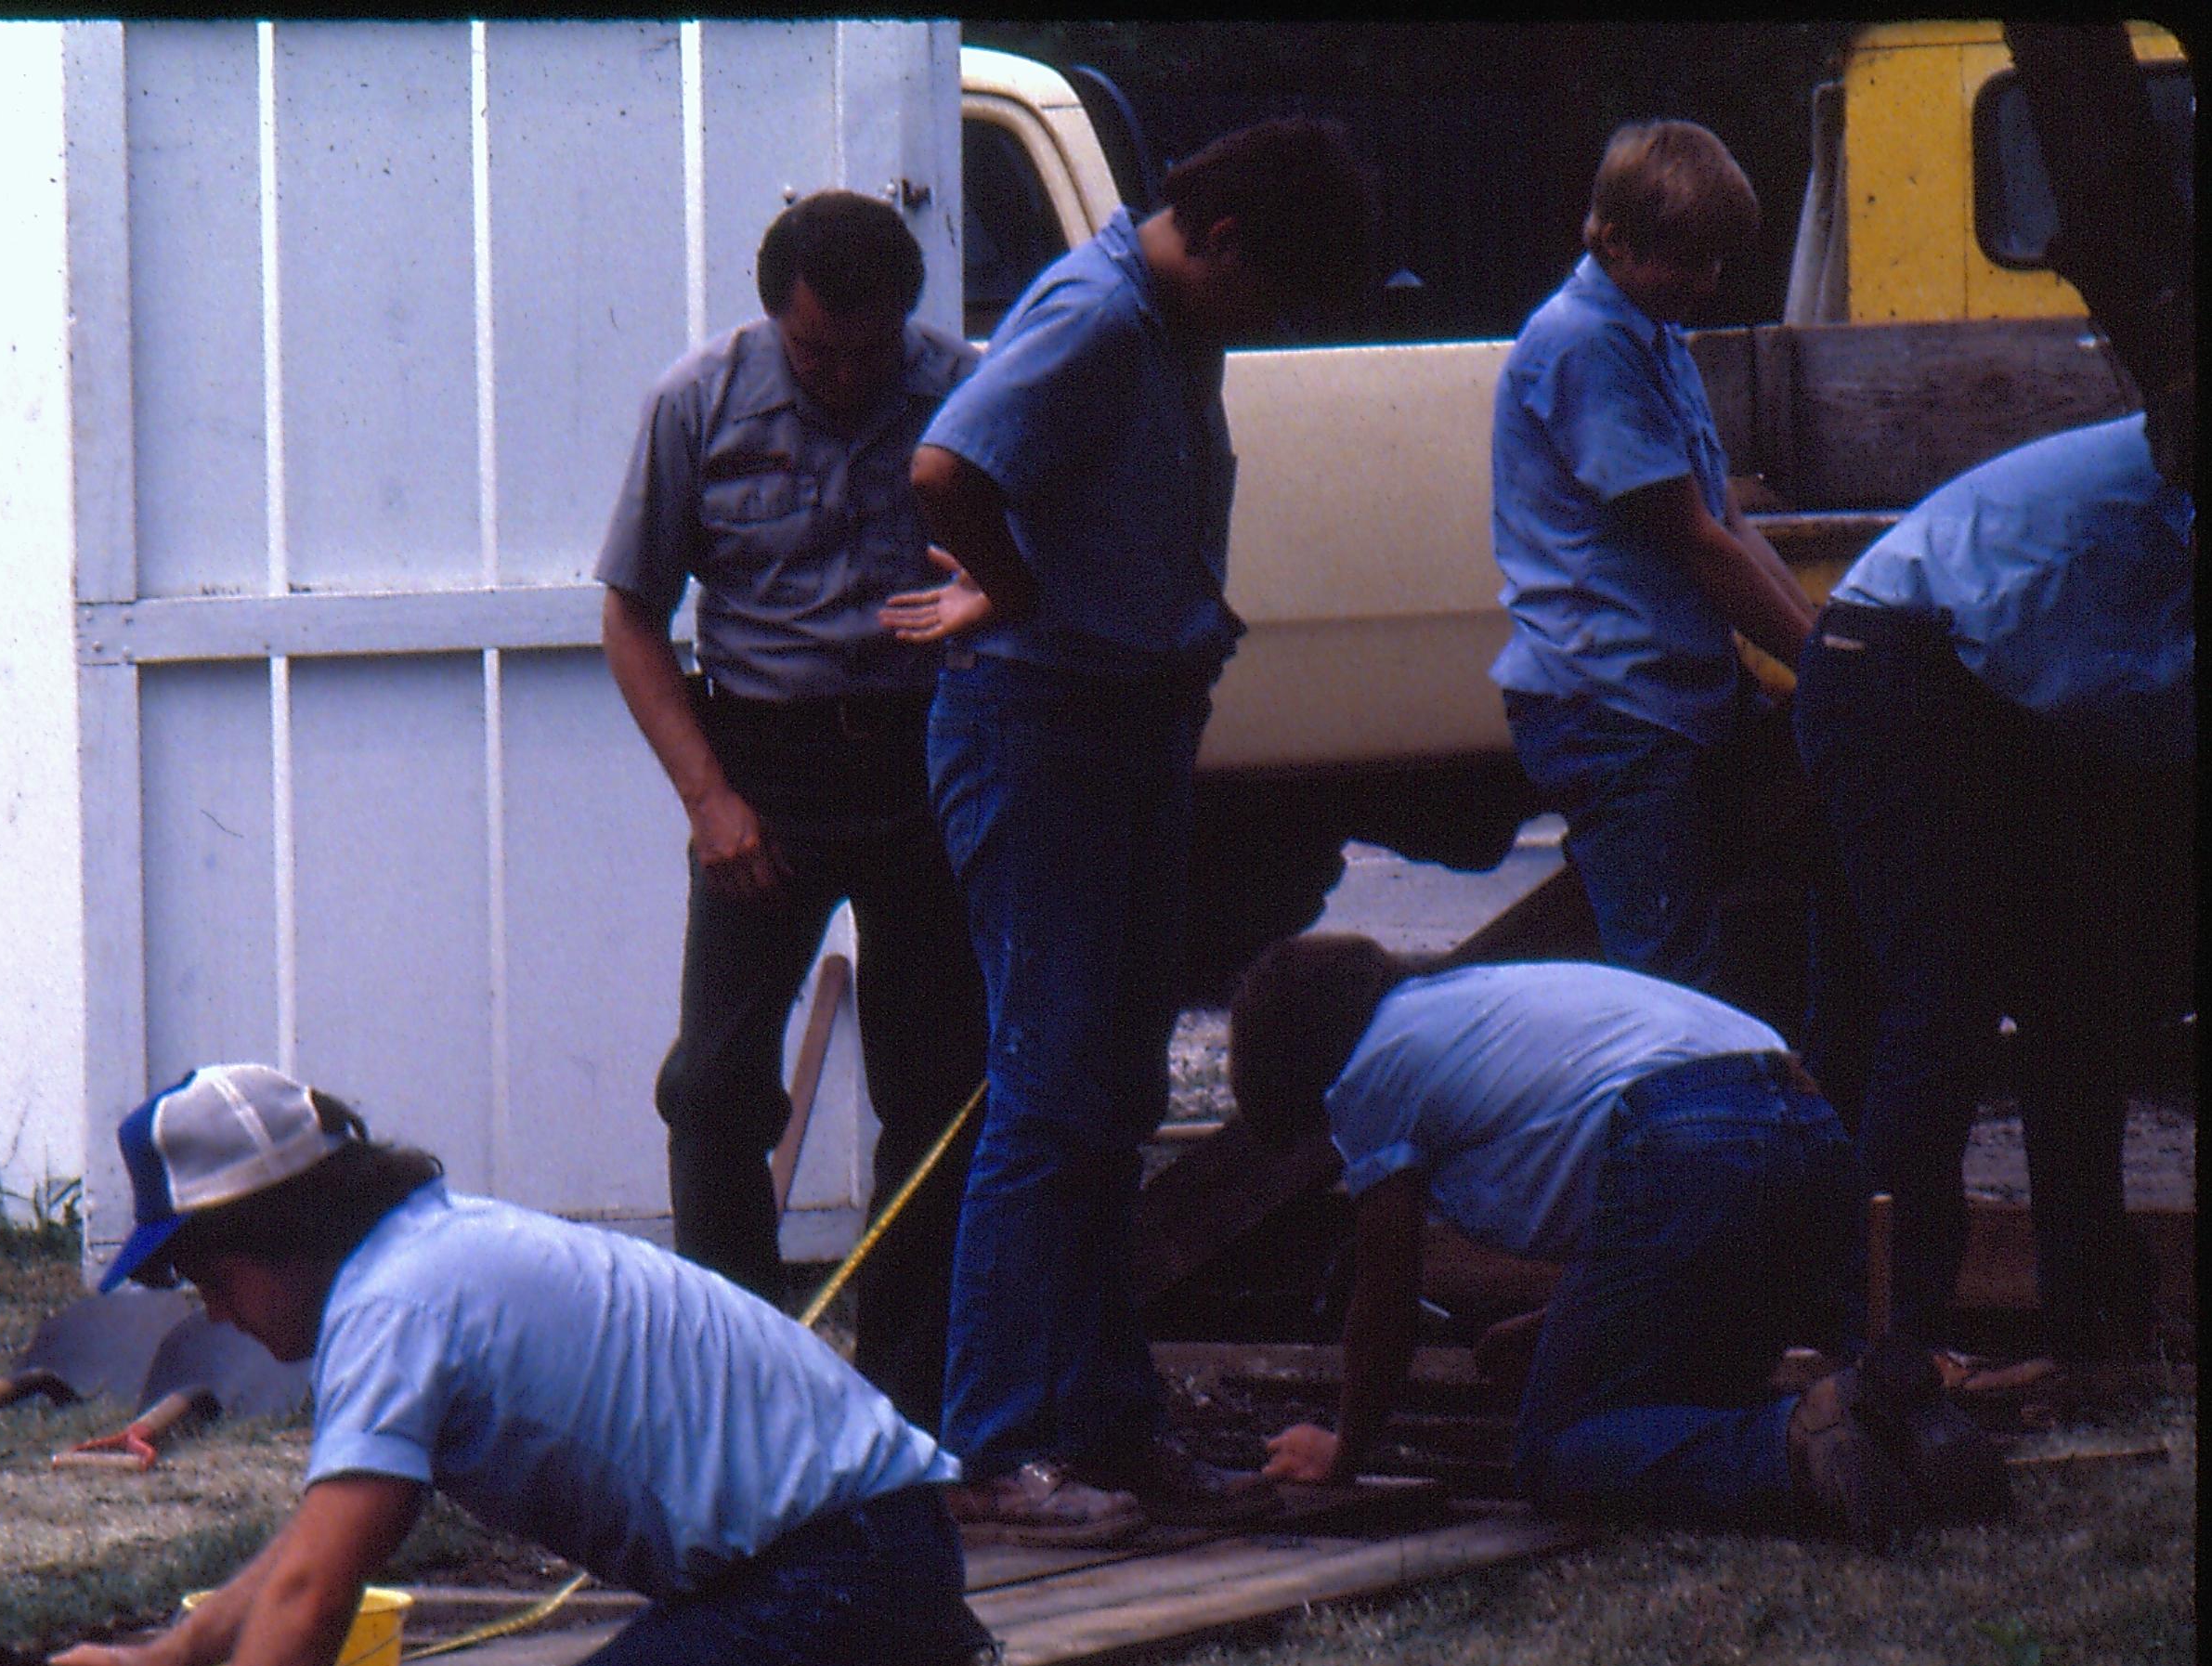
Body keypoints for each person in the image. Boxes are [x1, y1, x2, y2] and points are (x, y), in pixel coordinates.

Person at [0, 1063, 1162, 1666]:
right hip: (862, 1555)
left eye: (209, 1278)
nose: (214, 1315)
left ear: (278, 1231)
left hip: (827, 1581)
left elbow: (316, 1593)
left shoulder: (392, 1309)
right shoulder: (430, 1255)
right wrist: (163, 1660)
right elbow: (309, 1553)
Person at [874, 118, 1378, 1545]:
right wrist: (1011, 592)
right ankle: (986, 1444)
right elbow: (941, 473)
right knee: (1045, 1094)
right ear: (1219, 240)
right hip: (1042, 734)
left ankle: (1105, 1417)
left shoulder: (1170, 321)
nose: (1268, 323)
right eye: (1269, 292)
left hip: (1130, 723)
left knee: (1110, 1094)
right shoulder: (1097, 318)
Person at [596, 189, 986, 1430]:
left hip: (932, 760)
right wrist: (708, 797)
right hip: (761, 761)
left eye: (869, 353)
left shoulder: (967, 387)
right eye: (816, 351)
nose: (843, 376)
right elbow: (627, 616)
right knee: (712, 1086)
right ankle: (743, 1383)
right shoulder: (694, 401)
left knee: (938, 1094)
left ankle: (903, 1394)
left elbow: (1035, 557)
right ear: (774, 317)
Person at [1227, 933, 2007, 1550]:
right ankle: (1888, 1430)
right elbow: (1616, 1163)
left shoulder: (1370, 1070)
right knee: (1676, 1402)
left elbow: (1386, 1291)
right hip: (1802, 1127)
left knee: (1554, 1452)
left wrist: (1346, 1449)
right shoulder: (1468, 1002)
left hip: (1685, 1147)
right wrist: (1562, 1324)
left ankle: (1794, 1443)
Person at [1792, 412, 2194, 1364]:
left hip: (1985, 683)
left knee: (2073, 1002)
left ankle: (2088, 1316)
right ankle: (1887, 1339)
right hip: (1899, 666)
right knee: (1935, 1007)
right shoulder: (2177, 449)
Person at [1489, 120, 1822, 1006]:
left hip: (1669, 695)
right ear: (1616, 240)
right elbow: (1696, 544)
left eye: (1719, 263)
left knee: (1736, 933)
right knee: (1666, 978)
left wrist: (1822, 651)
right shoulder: (1585, 345)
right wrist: (1823, 670)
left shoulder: (1653, 333)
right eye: (1688, 262)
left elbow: (1732, 524)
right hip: (1611, 702)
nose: (1707, 284)